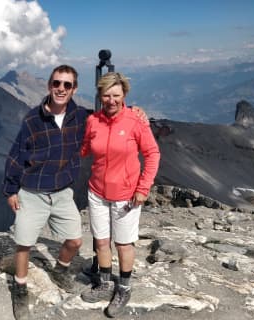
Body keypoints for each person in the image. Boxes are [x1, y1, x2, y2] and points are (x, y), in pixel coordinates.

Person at [3, 64, 88, 320]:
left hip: (62, 192)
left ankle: (60, 270)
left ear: (74, 89)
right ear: (49, 85)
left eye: (67, 85)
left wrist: (136, 114)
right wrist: (11, 190)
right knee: (24, 244)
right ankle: (20, 288)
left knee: (75, 241)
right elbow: (17, 155)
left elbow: (109, 116)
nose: (61, 89)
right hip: (32, 192)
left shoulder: (81, 116)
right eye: (57, 83)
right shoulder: (33, 118)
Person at [79, 72, 160, 318]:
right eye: (106, 95)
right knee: (101, 241)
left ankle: (124, 288)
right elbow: (83, 149)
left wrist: (143, 188)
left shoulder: (136, 121)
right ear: (100, 95)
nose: (111, 100)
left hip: (126, 195)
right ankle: (105, 283)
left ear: (124, 94)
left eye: (116, 95)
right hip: (97, 192)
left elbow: (153, 154)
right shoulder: (93, 121)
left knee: (123, 244)